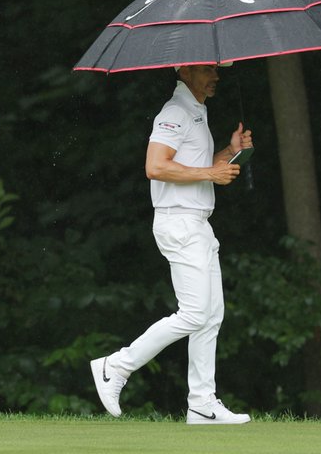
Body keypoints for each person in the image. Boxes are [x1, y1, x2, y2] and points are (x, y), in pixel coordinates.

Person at [91, 64, 253, 425]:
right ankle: (115, 366)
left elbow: (193, 169)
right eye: (207, 69)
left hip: (197, 223)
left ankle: (202, 404)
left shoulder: (196, 111)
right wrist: (212, 172)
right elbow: (155, 166)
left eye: (216, 69)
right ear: (184, 70)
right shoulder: (175, 112)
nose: (216, 76)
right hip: (178, 222)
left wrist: (229, 151)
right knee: (195, 313)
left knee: (211, 315)